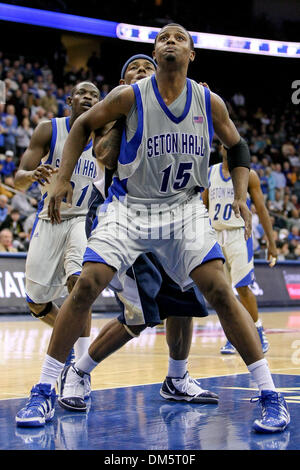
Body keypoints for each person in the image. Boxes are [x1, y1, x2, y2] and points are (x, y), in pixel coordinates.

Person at [16, 24, 290, 433]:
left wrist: (238, 193)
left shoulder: (207, 99)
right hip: (130, 207)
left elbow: (238, 146)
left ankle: (270, 394)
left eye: (178, 38)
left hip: (183, 209)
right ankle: (43, 389)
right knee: (88, 283)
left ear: (191, 54)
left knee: (217, 288)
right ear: (154, 51)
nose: (169, 42)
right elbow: (80, 127)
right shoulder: (129, 97)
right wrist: (61, 178)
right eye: (162, 38)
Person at [86, 53, 217, 407]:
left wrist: (195, 115)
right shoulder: (116, 108)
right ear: (123, 81)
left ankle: (177, 377)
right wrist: (124, 113)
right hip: (125, 217)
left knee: (183, 301)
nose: (144, 72)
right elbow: (104, 156)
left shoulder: (180, 102)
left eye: (148, 68)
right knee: (141, 314)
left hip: (171, 217)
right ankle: (80, 371)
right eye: (135, 70)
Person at [13, 81, 100, 384]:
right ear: (69, 100)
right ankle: (72, 346)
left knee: (79, 283)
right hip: (48, 219)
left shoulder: (104, 138)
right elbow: (19, 180)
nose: (88, 98)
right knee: (36, 303)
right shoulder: (48, 130)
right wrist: (31, 174)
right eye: (83, 93)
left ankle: (80, 370)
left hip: (81, 219)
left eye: (94, 95)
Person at [202, 145, 278, 354]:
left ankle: (258, 332)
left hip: (238, 235)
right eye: (226, 145)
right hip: (215, 235)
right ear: (221, 148)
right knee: (223, 293)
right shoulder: (210, 172)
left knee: (243, 288)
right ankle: (233, 337)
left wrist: (271, 244)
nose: (229, 148)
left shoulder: (249, 175)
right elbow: (203, 206)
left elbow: (261, 209)